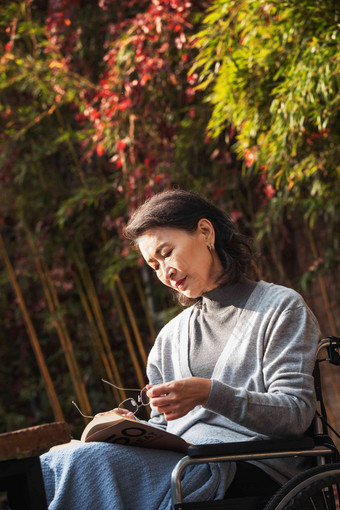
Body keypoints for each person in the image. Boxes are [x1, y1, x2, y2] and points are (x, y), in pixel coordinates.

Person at [40, 189, 320, 509]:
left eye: (167, 252)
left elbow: (295, 414)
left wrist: (208, 393)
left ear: (205, 232)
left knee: (87, 464)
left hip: (250, 468)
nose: (165, 272)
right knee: (57, 460)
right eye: (154, 265)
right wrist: (127, 428)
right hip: (185, 464)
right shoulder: (169, 339)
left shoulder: (280, 309)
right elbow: (164, 429)